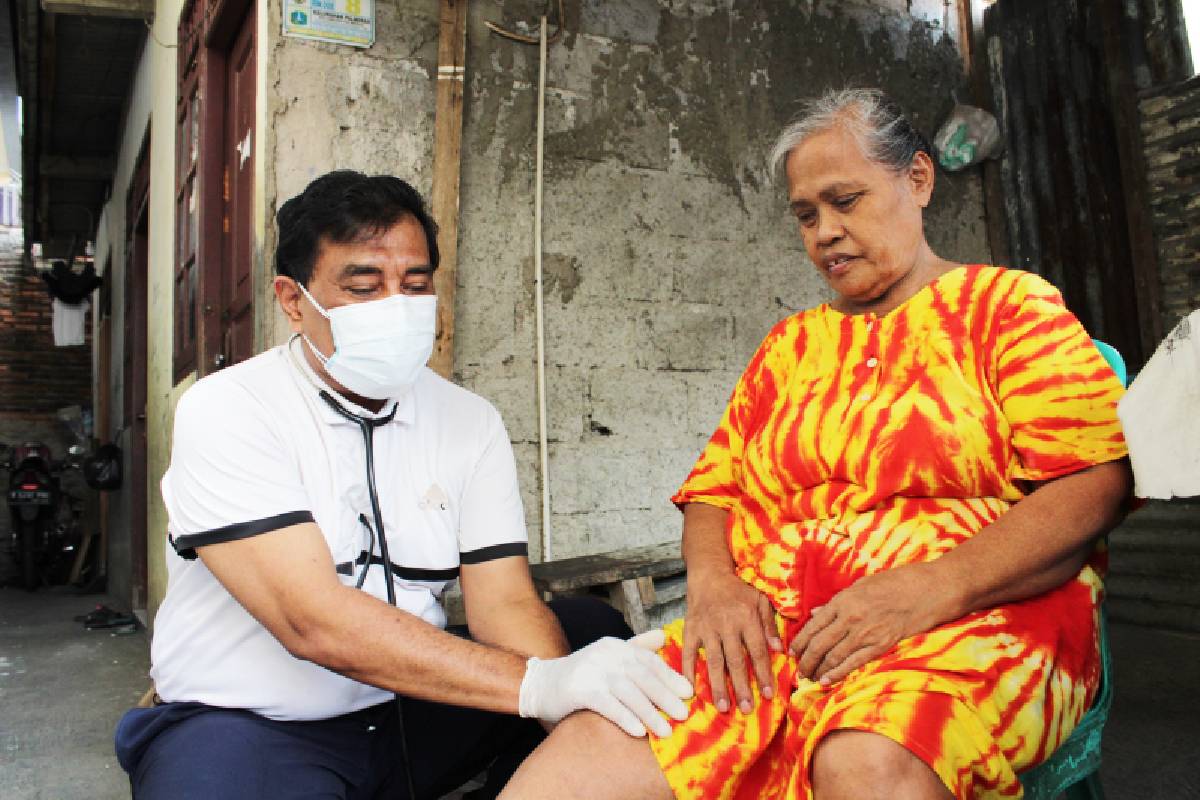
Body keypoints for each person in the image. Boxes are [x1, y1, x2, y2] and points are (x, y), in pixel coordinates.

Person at [498, 89, 1133, 799]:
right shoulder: (790, 346)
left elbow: (1093, 482)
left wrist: (932, 586)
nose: (825, 232)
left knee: (866, 759)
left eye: (846, 200)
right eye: (806, 214)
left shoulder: (1010, 308)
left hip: (975, 615)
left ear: (918, 180)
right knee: (584, 754)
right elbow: (714, 490)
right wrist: (714, 587)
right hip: (778, 637)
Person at [113, 171, 693, 800]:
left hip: (407, 709)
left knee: (591, 636)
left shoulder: (470, 421)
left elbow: (502, 601)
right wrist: (537, 687)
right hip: (249, 728)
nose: (397, 305)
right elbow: (311, 620)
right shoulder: (230, 408)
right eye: (364, 286)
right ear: (292, 298)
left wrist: (563, 701)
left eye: (414, 285)